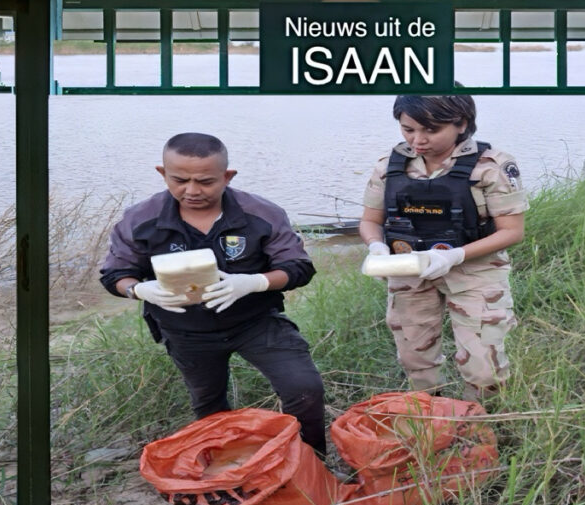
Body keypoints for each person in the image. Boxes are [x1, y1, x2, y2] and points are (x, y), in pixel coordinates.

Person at [100, 132, 326, 456]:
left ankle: (312, 460)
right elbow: (114, 274)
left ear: (227, 176)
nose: (192, 191)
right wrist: (139, 289)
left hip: (256, 322)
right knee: (208, 405)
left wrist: (254, 282)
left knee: (303, 388)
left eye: (205, 182)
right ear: (163, 173)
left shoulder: (261, 213)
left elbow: (298, 267)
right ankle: (225, 465)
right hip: (185, 330)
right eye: (179, 180)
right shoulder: (140, 219)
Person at [358, 94, 528, 402]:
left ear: (461, 123)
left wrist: (454, 255)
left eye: (431, 130)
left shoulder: (490, 166)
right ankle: (429, 414)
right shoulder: (390, 166)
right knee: (415, 357)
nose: (418, 140)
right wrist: (376, 247)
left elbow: (512, 231)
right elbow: (370, 221)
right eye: (408, 129)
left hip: (475, 271)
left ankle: (479, 420)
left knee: (484, 368)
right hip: (408, 270)